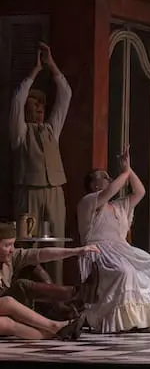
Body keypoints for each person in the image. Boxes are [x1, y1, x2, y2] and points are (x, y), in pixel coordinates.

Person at [77, 149, 150, 333]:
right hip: (98, 251)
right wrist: (125, 173)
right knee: (125, 272)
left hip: (122, 250)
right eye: (103, 177)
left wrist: (128, 169)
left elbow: (140, 191)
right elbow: (109, 191)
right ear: (94, 185)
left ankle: (148, 319)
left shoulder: (118, 206)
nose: (109, 178)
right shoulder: (88, 202)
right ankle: (122, 322)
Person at [10, 43, 72, 283]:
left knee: (56, 244)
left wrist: (52, 65)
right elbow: (17, 100)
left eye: (41, 107)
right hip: (29, 194)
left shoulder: (51, 130)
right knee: (27, 243)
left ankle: (55, 293)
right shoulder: (20, 133)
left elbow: (65, 95)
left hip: (54, 192)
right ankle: (26, 293)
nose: (39, 110)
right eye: (34, 106)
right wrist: (35, 71)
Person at [0, 223, 99, 320]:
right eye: (7, 245)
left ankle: (57, 309)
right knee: (20, 285)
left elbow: (41, 254)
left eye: (13, 244)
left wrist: (76, 251)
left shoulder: (11, 257)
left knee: (32, 265)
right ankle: (78, 293)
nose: (12, 250)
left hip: (10, 304)